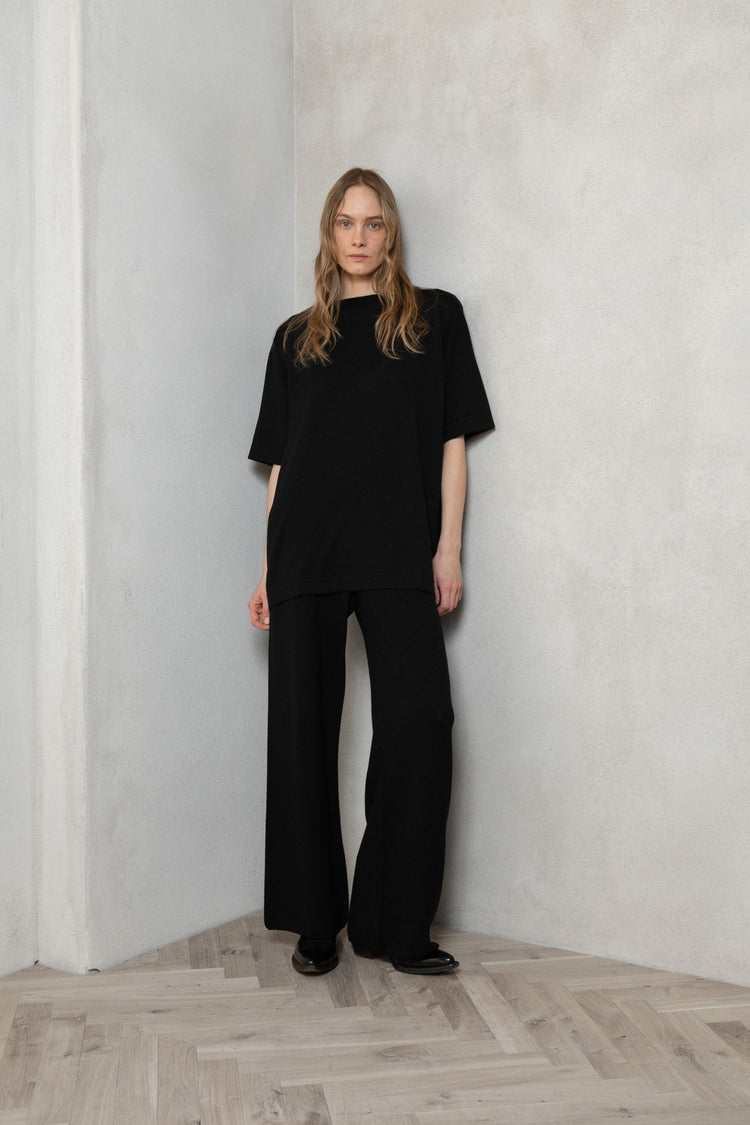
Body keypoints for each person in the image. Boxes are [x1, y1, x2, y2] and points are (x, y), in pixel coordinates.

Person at [248, 168, 493, 977]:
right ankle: (316, 920)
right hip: (306, 552)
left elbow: (453, 440)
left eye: (374, 223)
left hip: (396, 551)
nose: (359, 237)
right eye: (346, 222)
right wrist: (267, 566)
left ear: (391, 233)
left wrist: (448, 546)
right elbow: (282, 463)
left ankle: (395, 922)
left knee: (420, 721)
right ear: (330, 233)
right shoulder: (295, 338)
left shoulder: (433, 319)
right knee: (303, 736)